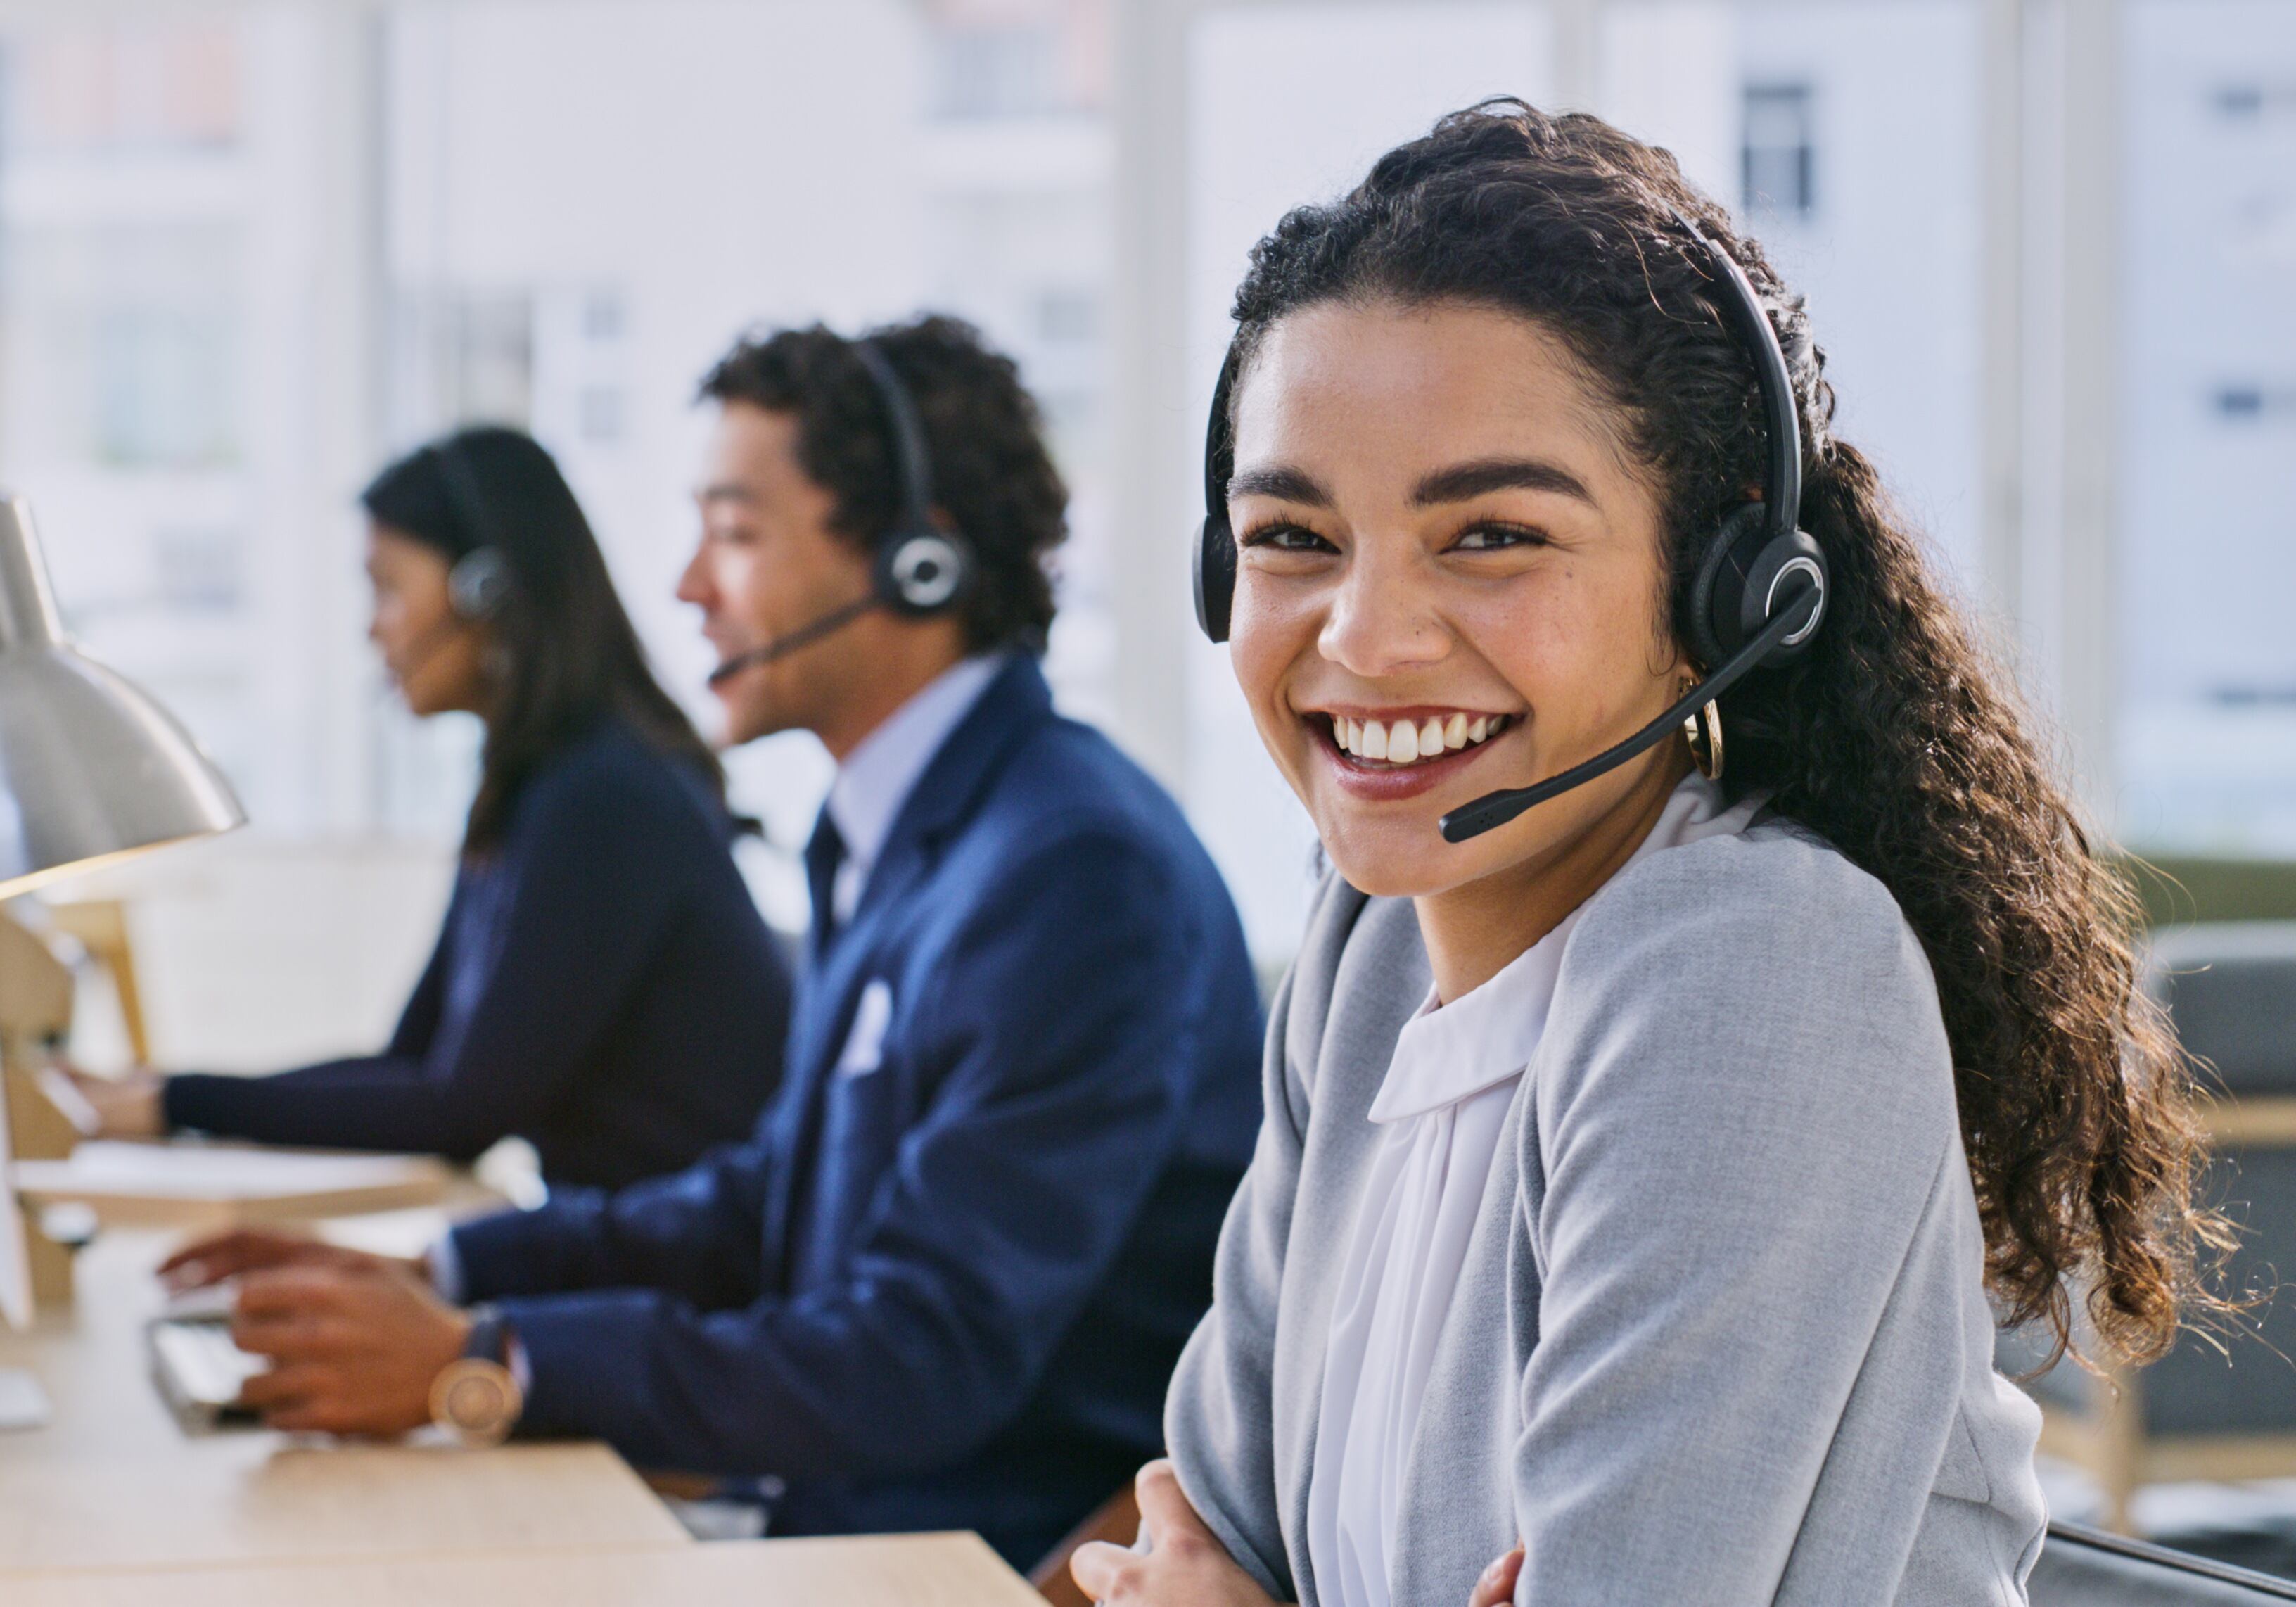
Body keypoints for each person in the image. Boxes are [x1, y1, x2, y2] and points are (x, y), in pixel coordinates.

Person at [1073, 103, 2222, 1606]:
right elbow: (1201, 1519)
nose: (1361, 636)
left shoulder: (1755, 967)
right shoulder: (1368, 949)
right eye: (1292, 535)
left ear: (1727, 588)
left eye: (1490, 534)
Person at [161, 317, 1266, 1570]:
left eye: (735, 534)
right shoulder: (892, 832)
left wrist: (486, 1363)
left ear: (918, 564)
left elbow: (917, 1356)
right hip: (828, 1511)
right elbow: (766, 1199)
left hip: (947, 1558)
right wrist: (446, 1268)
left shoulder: (1071, 871)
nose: (687, 585)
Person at [67, 427, 789, 1193]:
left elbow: (462, 1110)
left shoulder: (602, 798)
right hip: (611, 1252)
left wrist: (175, 1105)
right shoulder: (530, 787)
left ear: (489, 593)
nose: (372, 626)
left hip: (678, 1275)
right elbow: (412, 1060)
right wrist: (164, 1093)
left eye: (387, 587)